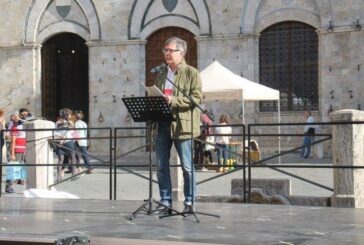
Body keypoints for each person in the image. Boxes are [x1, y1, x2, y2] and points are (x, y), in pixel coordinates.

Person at [154, 37, 202, 214]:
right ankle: (165, 201)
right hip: (163, 123)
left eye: (170, 50)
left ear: (181, 53)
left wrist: (174, 100)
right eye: (165, 50)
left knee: (187, 167)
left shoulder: (192, 73)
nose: (167, 53)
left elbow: (196, 98)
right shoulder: (161, 73)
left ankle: (189, 201)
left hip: (183, 124)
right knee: (160, 165)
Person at [54, 108, 78, 181]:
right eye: (70, 114)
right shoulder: (70, 122)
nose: (71, 115)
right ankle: (73, 174)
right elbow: (73, 132)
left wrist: (60, 138)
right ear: (67, 115)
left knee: (60, 159)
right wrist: (76, 139)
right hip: (68, 141)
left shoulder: (58, 122)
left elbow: (55, 132)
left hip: (59, 142)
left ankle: (59, 176)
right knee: (72, 157)